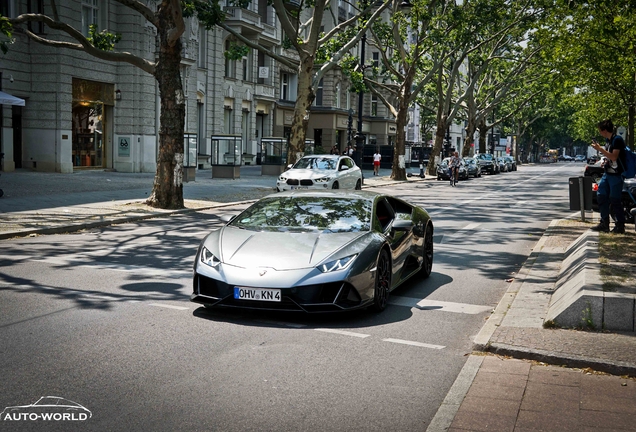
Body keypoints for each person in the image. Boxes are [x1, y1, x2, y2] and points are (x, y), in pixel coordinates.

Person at [590, 119, 626, 233]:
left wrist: (600, 149)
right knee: (601, 195)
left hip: (616, 175)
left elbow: (614, 157)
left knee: (615, 199)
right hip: (608, 173)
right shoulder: (607, 140)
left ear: (604, 130)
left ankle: (620, 225)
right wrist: (605, 161)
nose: (600, 133)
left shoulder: (617, 140)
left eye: (600, 130)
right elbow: (610, 157)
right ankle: (604, 223)